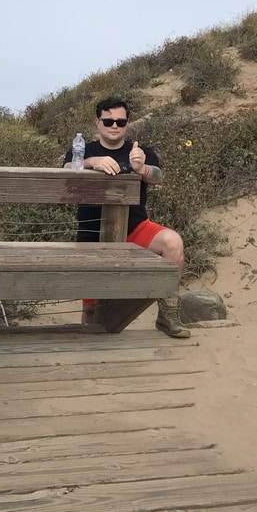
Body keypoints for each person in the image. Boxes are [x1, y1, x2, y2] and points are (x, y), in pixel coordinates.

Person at [64, 97, 190, 339]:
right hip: (92, 236)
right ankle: (91, 349)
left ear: (127, 123)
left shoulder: (140, 152)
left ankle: (168, 315)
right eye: (108, 121)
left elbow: (158, 176)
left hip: (135, 229)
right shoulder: (84, 150)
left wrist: (141, 169)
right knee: (91, 310)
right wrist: (91, 162)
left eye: (120, 121)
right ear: (98, 122)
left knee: (172, 242)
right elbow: (66, 168)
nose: (114, 126)